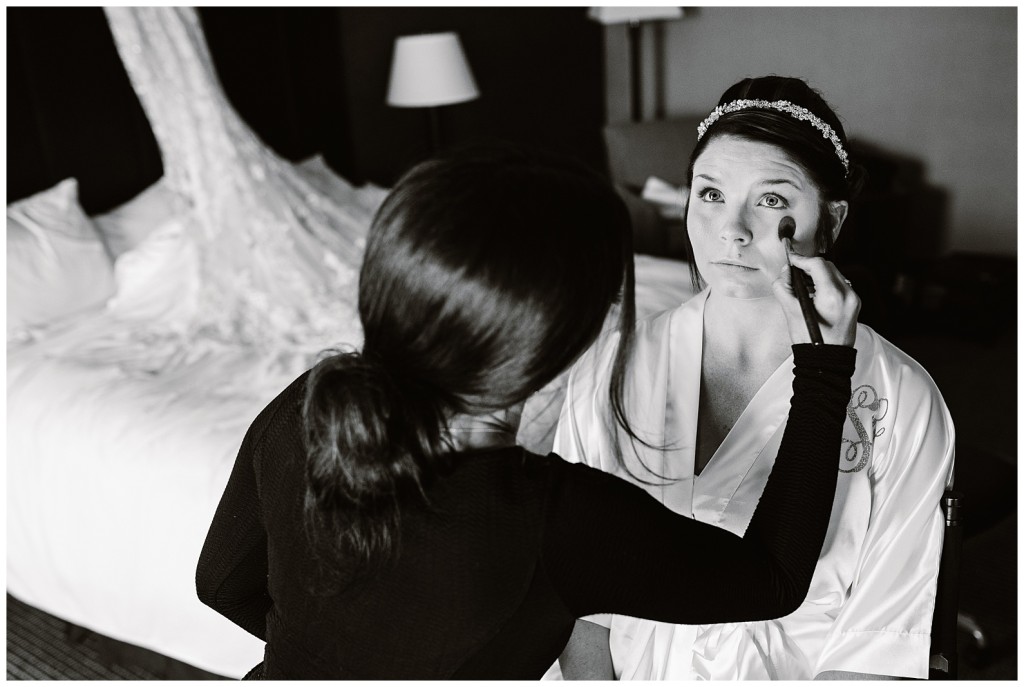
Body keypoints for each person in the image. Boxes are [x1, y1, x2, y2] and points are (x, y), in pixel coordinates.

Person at [195, 143, 861, 679]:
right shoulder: (556, 518)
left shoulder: (309, 400)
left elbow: (221, 584)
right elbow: (773, 580)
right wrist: (823, 370)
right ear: (555, 344)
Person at [553, 77, 955, 681]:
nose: (732, 229)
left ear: (831, 219)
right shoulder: (612, 367)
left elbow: (879, 643)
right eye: (711, 193)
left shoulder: (900, 399)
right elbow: (577, 602)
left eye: (771, 200)